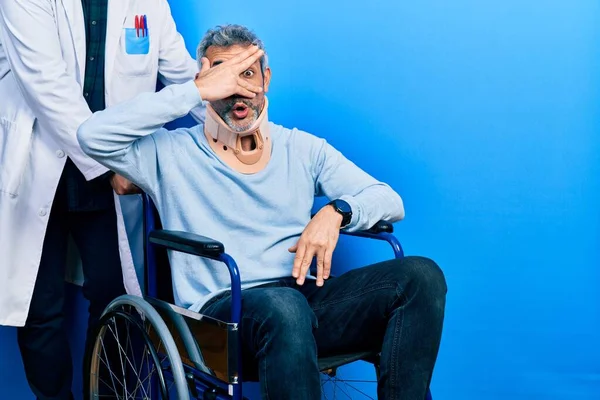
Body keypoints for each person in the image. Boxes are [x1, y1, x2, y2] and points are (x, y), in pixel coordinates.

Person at [77, 24, 447, 399]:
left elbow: (388, 199)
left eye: (248, 74)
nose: (238, 90)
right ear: (205, 80)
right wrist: (197, 90)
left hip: (302, 304)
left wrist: (336, 211)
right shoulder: (170, 152)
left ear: (266, 79)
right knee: (284, 306)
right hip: (221, 313)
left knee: (421, 276)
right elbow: (91, 136)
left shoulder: (301, 148)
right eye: (225, 75)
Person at [0, 0, 204, 398]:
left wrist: (243, 123)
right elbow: (48, 87)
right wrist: (111, 164)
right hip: (42, 160)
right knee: (41, 310)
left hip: (112, 172)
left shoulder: (149, 3)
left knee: (118, 299)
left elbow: (184, 77)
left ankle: (106, 394)